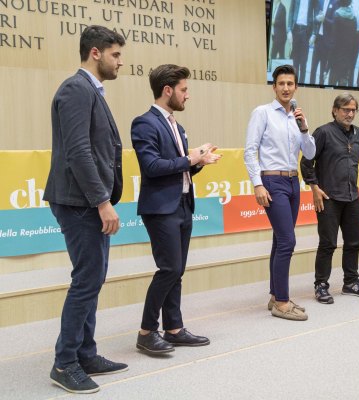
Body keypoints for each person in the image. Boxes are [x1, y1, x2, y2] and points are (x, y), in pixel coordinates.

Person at [43, 25, 127, 394]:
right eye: (115, 55)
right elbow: (78, 151)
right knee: (86, 280)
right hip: (80, 202)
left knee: (93, 278)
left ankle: (85, 353)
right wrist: (102, 202)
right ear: (95, 53)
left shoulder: (90, 90)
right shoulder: (76, 89)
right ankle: (64, 363)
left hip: (86, 201)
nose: (119, 62)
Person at [131, 65, 222, 353]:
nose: (187, 95)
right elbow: (152, 166)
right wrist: (191, 158)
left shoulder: (177, 126)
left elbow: (179, 169)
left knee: (177, 270)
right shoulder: (144, 123)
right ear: (167, 90)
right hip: (161, 208)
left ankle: (174, 328)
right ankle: (146, 331)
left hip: (183, 204)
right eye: (184, 90)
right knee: (169, 268)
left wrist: (199, 162)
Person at [244, 64, 316, 321]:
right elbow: (250, 151)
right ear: (274, 87)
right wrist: (257, 184)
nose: (286, 88)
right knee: (287, 241)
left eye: (290, 84)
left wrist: (304, 128)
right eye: (281, 84)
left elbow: (310, 153)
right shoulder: (262, 113)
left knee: (280, 240)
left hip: (293, 182)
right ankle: (283, 303)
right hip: (272, 181)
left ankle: (276, 296)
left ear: (296, 87)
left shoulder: (297, 118)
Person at [300, 93, 359, 304]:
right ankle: (321, 285)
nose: (350, 114)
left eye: (353, 110)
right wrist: (314, 187)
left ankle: (351, 282)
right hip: (328, 197)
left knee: (354, 242)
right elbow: (306, 162)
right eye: (345, 110)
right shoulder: (323, 132)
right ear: (335, 110)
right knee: (328, 243)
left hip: (352, 196)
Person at [288, 0, 320, 84]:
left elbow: (316, 14)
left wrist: (314, 33)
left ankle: (301, 84)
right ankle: (294, 85)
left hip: (306, 32)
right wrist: (289, 30)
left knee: (303, 63)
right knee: (295, 62)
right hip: (295, 30)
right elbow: (291, 11)